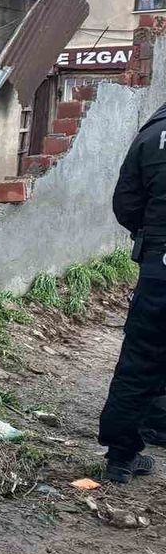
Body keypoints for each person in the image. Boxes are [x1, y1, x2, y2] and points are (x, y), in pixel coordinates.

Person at [99, 100, 166, 483]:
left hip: (160, 266)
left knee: (141, 359)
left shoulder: (152, 135)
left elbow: (126, 202)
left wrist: (152, 238)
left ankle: (120, 458)